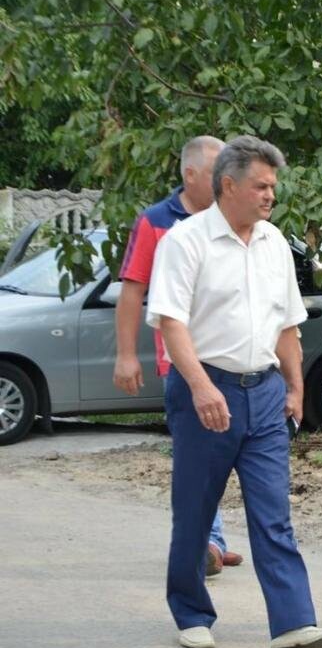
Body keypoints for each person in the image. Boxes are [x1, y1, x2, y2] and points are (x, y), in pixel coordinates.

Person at [146, 135, 322, 648]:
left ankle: (294, 623)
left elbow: (287, 325)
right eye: (261, 186)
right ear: (228, 186)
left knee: (274, 513)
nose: (270, 195)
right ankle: (191, 613)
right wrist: (200, 386)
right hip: (206, 391)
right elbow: (171, 323)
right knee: (196, 510)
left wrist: (296, 387)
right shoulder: (185, 242)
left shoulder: (275, 242)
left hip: (265, 394)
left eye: (273, 186)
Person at [113, 135, 243, 577]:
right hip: (183, 364)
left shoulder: (235, 218)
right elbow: (133, 291)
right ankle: (208, 542)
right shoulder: (156, 222)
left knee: (224, 453)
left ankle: (211, 539)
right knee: (199, 452)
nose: (228, 180)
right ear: (190, 174)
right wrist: (126, 355)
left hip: (237, 362)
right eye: (217, 172)